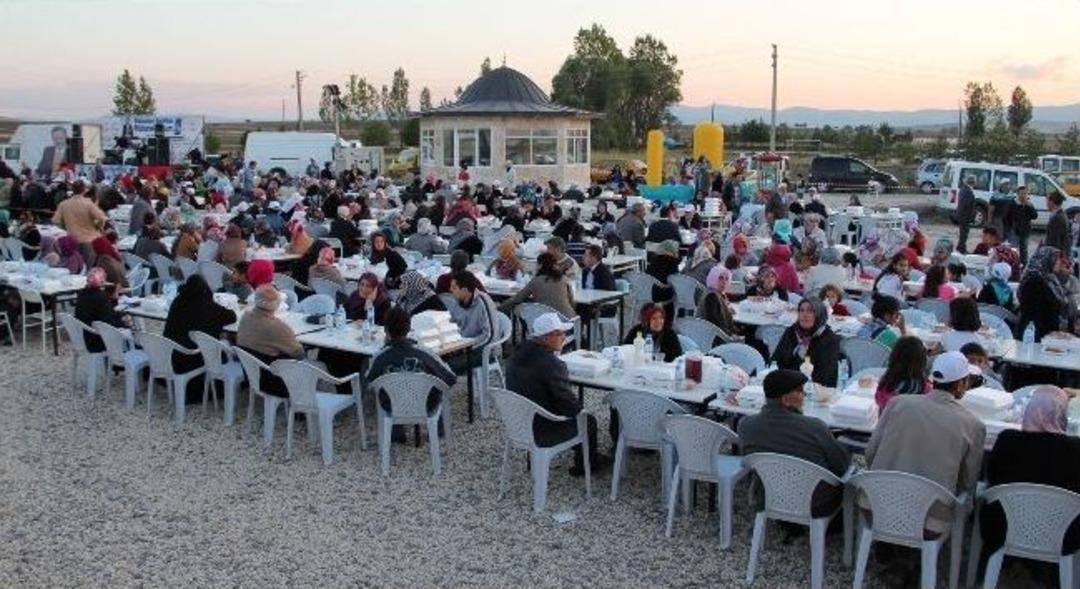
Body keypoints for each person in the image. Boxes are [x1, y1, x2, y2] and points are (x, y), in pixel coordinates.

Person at [866, 351, 986, 534]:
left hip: (880, 503)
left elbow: (870, 453)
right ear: (962, 383)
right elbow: (967, 482)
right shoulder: (973, 425)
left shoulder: (897, 403)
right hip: (931, 517)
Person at [978, 386, 1080, 562]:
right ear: (1062, 412)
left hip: (1003, 529)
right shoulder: (1075, 449)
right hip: (1062, 535)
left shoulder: (1007, 440)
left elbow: (991, 478)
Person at [505, 313, 609, 476]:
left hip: (518, 423)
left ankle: (583, 452)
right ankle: (585, 465)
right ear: (545, 338)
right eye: (560, 333)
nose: (564, 337)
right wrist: (581, 411)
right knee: (587, 420)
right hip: (542, 429)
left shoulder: (515, 355)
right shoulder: (550, 364)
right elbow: (568, 404)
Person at [738, 369, 851, 516]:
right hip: (815, 502)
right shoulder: (815, 427)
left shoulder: (745, 425)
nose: (804, 395)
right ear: (785, 400)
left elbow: (749, 463)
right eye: (800, 391)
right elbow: (841, 466)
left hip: (769, 496)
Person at [366, 305, 458, 438]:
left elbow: (370, 381)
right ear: (409, 328)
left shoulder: (379, 357)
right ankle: (438, 431)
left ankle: (396, 433)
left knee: (388, 390)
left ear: (385, 330)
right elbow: (450, 379)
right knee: (438, 387)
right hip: (426, 405)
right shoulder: (424, 353)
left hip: (393, 406)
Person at [162, 275, 238, 402]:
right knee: (226, 350)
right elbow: (232, 317)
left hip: (173, 354)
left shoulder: (178, 301)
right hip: (195, 356)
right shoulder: (210, 307)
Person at [237, 285, 305, 397]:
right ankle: (306, 400)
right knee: (313, 363)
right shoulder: (278, 327)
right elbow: (299, 355)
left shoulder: (246, 316)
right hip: (275, 382)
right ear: (278, 304)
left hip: (252, 376)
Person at [772, 297, 842, 386]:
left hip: (817, 390)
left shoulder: (829, 339)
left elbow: (822, 376)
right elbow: (775, 360)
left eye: (810, 311)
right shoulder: (791, 331)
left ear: (819, 314)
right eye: (801, 310)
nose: (804, 315)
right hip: (787, 385)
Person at [1018, 246, 1074, 341]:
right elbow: (1035, 313)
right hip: (1035, 337)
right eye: (1056, 259)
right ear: (1048, 260)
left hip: (1049, 335)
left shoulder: (1049, 279)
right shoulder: (1034, 282)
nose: (1059, 262)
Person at [500, 252, 576, 319]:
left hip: (548, 323)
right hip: (568, 321)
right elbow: (571, 301)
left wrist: (499, 308)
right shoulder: (563, 279)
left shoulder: (536, 281)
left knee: (523, 309)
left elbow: (518, 298)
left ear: (541, 265)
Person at [73, 268, 125, 353]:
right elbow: (108, 322)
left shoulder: (81, 294)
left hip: (84, 335)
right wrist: (123, 322)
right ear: (102, 282)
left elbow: (97, 310)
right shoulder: (101, 297)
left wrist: (112, 301)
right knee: (127, 329)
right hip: (98, 340)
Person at [446, 270, 500, 353]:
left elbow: (489, 336)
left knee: (448, 365)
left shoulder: (483, 303)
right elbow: (450, 326)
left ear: (464, 290)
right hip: (462, 347)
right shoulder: (456, 302)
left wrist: (468, 348)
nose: (450, 290)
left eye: (454, 287)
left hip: (483, 350)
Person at [874, 336, 931, 412]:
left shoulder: (885, 385)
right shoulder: (926, 389)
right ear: (922, 362)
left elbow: (880, 406)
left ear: (893, 358)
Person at [51, 180, 107, 252]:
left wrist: (65, 227)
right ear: (84, 190)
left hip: (72, 239)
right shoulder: (89, 203)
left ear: (72, 189)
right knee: (89, 262)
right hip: (89, 239)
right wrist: (98, 226)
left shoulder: (63, 204)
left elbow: (55, 221)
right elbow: (102, 218)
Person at [697, 265, 737, 335]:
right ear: (713, 278)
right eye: (720, 278)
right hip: (713, 337)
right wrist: (733, 335)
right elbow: (715, 324)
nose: (724, 282)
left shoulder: (715, 293)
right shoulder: (712, 296)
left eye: (727, 279)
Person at [1005, 185, 1037, 265]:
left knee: (1024, 251)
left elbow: (1035, 216)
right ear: (1018, 194)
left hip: (1025, 231)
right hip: (1014, 231)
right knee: (1013, 250)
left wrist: (1029, 206)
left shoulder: (1029, 204)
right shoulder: (1012, 203)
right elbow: (1006, 217)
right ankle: (1012, 265)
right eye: (1022, 194)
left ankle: (1024, 266)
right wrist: (1008, 229)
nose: (1024, 196)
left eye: (1026, 194)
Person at [645, 239, 680, 304]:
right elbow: (675, 279)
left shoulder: (653, 260)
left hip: (648, 291)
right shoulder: (672, 262)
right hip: (663, 293)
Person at [955, 175, 976, 254]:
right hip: (964, 216)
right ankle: (961, 248)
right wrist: (970, 215)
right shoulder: (967, 190)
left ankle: (961, 247)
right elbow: (965, 204)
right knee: (964, 233)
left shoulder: (964, 189)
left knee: (963, 233)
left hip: (963, 215)